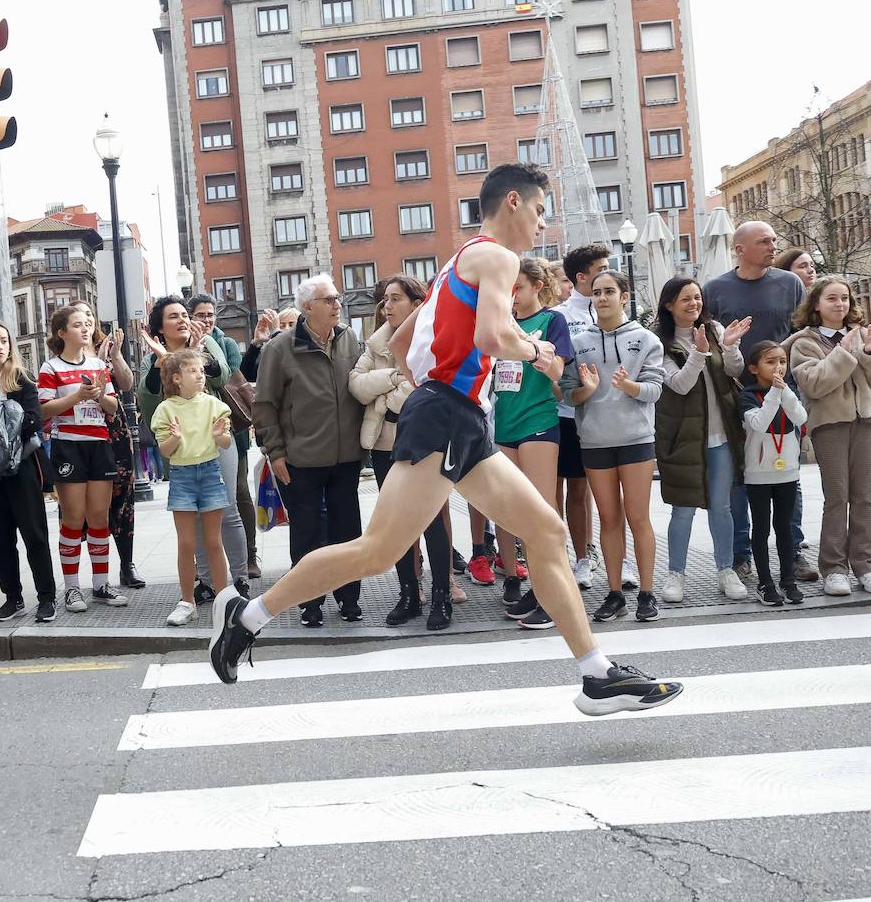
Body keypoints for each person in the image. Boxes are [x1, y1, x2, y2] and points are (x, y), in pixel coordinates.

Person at [211, 163, 682, 714]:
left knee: (545, 534)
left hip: (454, 416)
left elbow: (406, 339)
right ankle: (245, 616)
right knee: (377, 551)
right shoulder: (498, 257)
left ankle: (596, 674)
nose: (541, 224)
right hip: (449, 417)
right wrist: (540, 354)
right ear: (513, 202)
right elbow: (492, 334)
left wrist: (444, 384)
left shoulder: (459, 262)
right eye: (538, 210)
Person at [702, 221, 815, 583]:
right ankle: (741, 553)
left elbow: (800, 333)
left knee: (788, 471)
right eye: (764, 241)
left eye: (773, 240)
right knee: (740, 474)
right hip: (736, 392)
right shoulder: (715, 290)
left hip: (784, 390)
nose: (773, 246)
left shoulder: (790, 284)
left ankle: (793, 550)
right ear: (739, 249)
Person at [253, 273, 368, 626]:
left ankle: (349, 599)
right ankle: (309, 602)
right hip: (301, 459)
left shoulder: (350, 340)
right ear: (307, 308)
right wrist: (276, 452)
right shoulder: (279, 348)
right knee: (307, 534)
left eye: (336, 299)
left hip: (346, 458)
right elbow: (265, 405)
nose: (337, 304)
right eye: (329, 300)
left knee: (347, 532)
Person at [560, 270, 664, 624]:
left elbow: (655, 390)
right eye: (596, 292)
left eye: (609, 292)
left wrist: (630, 387)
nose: (601, 298)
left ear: (624, 296)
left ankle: (647, 593)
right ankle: (615, 592)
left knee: (638, 518)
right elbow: (568, 393)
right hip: (595, 440)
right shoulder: (578, 342)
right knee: (608, 519)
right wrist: (586, 391)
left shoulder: (646, 339)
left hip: (636, 439)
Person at [139, 296, 248, 600]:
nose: (182, 320)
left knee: (227, 509)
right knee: (195, 515)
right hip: (182, 445)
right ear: (160, 328)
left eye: (184, 315)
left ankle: (239, 578)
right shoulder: (154, 358)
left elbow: (223, 373)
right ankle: (208, 581)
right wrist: (162, 362)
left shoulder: (207, 342)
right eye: (173, 317)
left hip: (214, 436)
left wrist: (198, 353)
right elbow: (147, 395)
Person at [652, 277, 751, 604]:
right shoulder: (660, 342)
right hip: (683, 438)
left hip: (722, 434)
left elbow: (735, 371)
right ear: (669, 305)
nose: (694, 304)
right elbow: (678, 384)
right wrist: (698, 353)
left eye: (697, 298)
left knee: (721, 507)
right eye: (685, 299)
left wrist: (731, 346)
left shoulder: (714, 329)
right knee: (683, 509)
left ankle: (726, 570)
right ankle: (675, 574)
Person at [349, 274, 441, 626]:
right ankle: (408, 594)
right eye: (384, 299)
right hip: (385, 443)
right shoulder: (375, 343)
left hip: (425, 440)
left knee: (432, 519)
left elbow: (421, 391)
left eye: (395, 299)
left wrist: (388, 391)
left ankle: (440, 597)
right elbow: (356, 386)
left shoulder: (430, 339)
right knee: (398, 523)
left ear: (417, 304)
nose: (386, 306)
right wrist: (392, 380)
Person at [490, 257, 574, 629]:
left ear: (537, 287)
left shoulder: (552, 321)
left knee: (542, 510)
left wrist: (541, 355)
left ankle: (551, 594)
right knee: (511, 508)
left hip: (538, 421)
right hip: (503, 422)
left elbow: (560, 371)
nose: (513, 295)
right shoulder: (500, 324)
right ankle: (528, 583)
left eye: (519, 287)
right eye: (509, 289)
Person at [0, 319, 58, 623]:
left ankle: (46, 598)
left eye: (4, 340)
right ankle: (12, 597)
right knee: (2, 537)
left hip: (22, 466)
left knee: (34, 534)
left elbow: (33, 420)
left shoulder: (21, 378)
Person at [787, 276, 871, 596]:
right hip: (830, 426)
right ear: (816, 305)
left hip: (866, 422)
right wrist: (846, 353)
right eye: (832, 298)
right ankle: (834, 568)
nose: (840, 304)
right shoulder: (804, 342)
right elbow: (814, 384)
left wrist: (868, 351)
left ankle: (865, 563)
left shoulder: (860, 335)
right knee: (837, 497)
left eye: (845, 298)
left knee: (865, 496)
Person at [41, 305, 125, 611]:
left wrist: (98, 395)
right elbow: (42, 410)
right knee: (73, 518)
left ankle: (101, 584)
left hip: (98, 444)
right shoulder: (50, 368)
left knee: (99, 517)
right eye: (77, 325)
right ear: (62, 333)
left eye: (87, 324)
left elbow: (113, 408)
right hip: (68, 446)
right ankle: (72, 588)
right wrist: (76, 396)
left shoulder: (98, 365)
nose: (85, 328)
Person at [152, 349, 236, 626]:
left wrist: (217, 436)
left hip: (210, 471)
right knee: (186, 543)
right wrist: (175, 439)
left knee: (214, 541)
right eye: (193, 371)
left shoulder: (214, 404)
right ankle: (187, 601)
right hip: (182, 475)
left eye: (201, 371)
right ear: (176, 378)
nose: (200, 375)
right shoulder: (165, 409)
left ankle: (223, 599)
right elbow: (165, 451)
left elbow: (225, 442)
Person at [188, 293, 260, 580]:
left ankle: (249, 558)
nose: (206, 319)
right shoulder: (186, 341)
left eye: (210, 314)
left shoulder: (225, 342)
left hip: (232, 427)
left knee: (239, 495)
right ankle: (206, 570)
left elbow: (228, 375)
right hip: (197, 436)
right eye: (201, 314)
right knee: (201, 506)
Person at [71, 302, 141, 589]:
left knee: (124, 498)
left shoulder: (106, 348)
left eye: (89, 315)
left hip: (115, 432)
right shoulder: (65, 358)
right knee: (89, 504)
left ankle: (127, 564)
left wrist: (114, 356)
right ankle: (99, 574)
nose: (86, 321)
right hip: (83, 435)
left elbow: (126, 384)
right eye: (79, 317)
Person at [554, 244, 611, 589]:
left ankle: (602, 556)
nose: (606, 273)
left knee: (600, 491)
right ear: (581, 277)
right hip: (564, 414)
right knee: (565, 490)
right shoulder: (560, 316)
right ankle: (572, 558)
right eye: (600, 268)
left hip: (606, 414)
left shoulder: (613, 309)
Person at [741, 341, 807, 607]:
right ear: (754, 368)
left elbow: (800, 418)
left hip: (788, 471)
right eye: (770, 362)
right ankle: (765, 582)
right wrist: (774, 395)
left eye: (782, 361)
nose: (778, 367)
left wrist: (784, 393)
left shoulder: (788, 391)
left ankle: (788, 579)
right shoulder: (748, 395)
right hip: (758, 473)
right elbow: (759, 423)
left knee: (785, 527)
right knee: (761, 528)